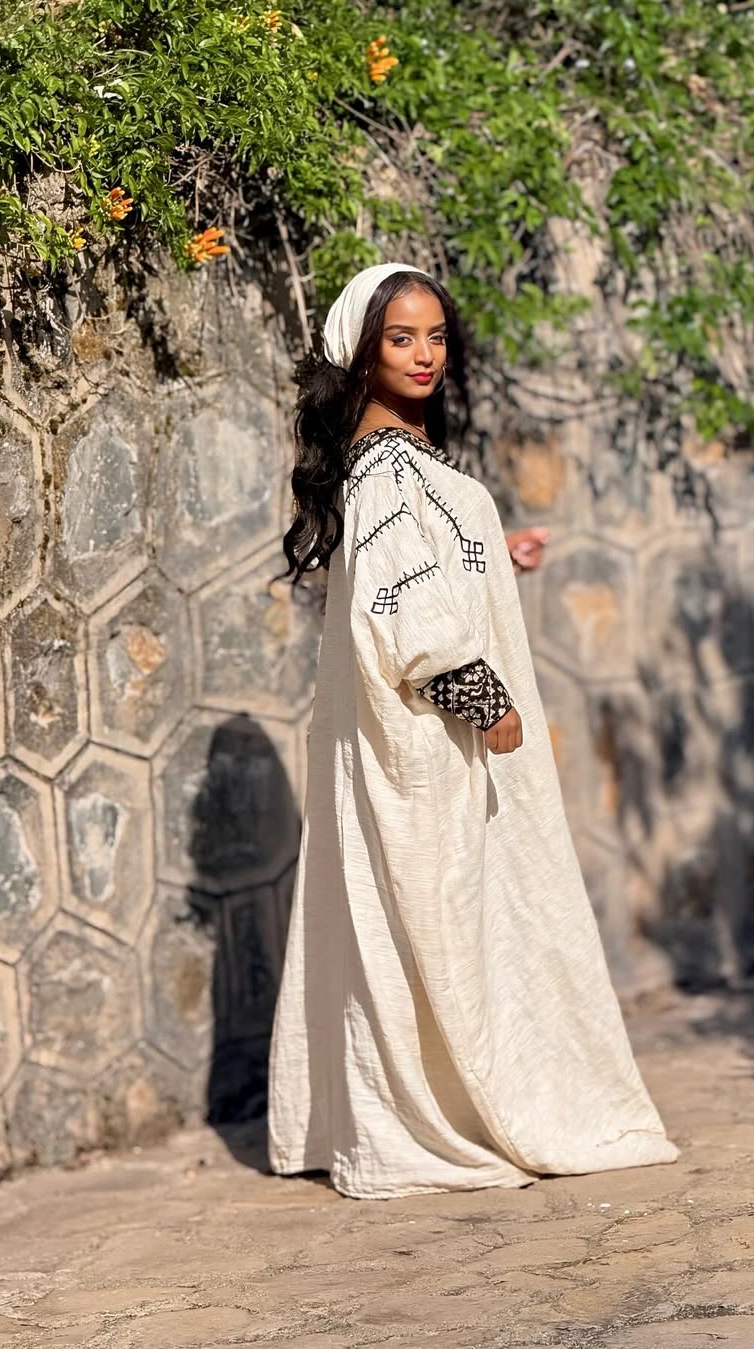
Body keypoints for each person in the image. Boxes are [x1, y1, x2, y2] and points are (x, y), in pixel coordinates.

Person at [268, 262, 679, 1198]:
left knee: (457, 922)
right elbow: (402, 613)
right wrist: (485, 700)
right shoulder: (384, 468)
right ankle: (455, 1115)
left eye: (436, 336)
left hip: (439, 736)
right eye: (400, 338)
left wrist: (498, 555)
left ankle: (462, 1102)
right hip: (435, 741)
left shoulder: (406, 458)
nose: (424, 355)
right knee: (446, 920)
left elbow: (424, 571)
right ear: (361, 351)